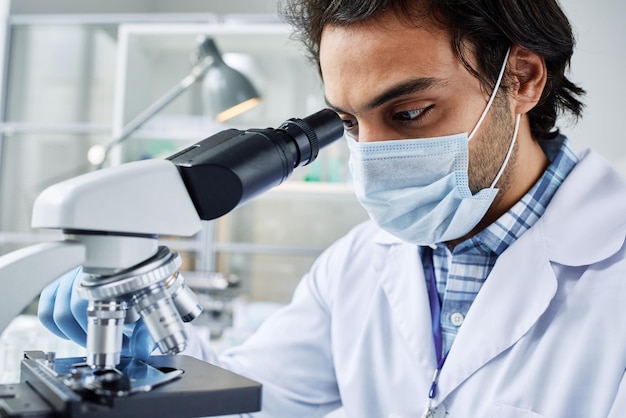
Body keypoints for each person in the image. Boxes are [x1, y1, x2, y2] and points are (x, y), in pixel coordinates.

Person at [38, 0, 626, 417]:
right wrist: (156, 358)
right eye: (349, 122)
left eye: (411, 112)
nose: (372, 157)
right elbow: (254, 401)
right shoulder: (356, 264)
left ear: (521, 79)